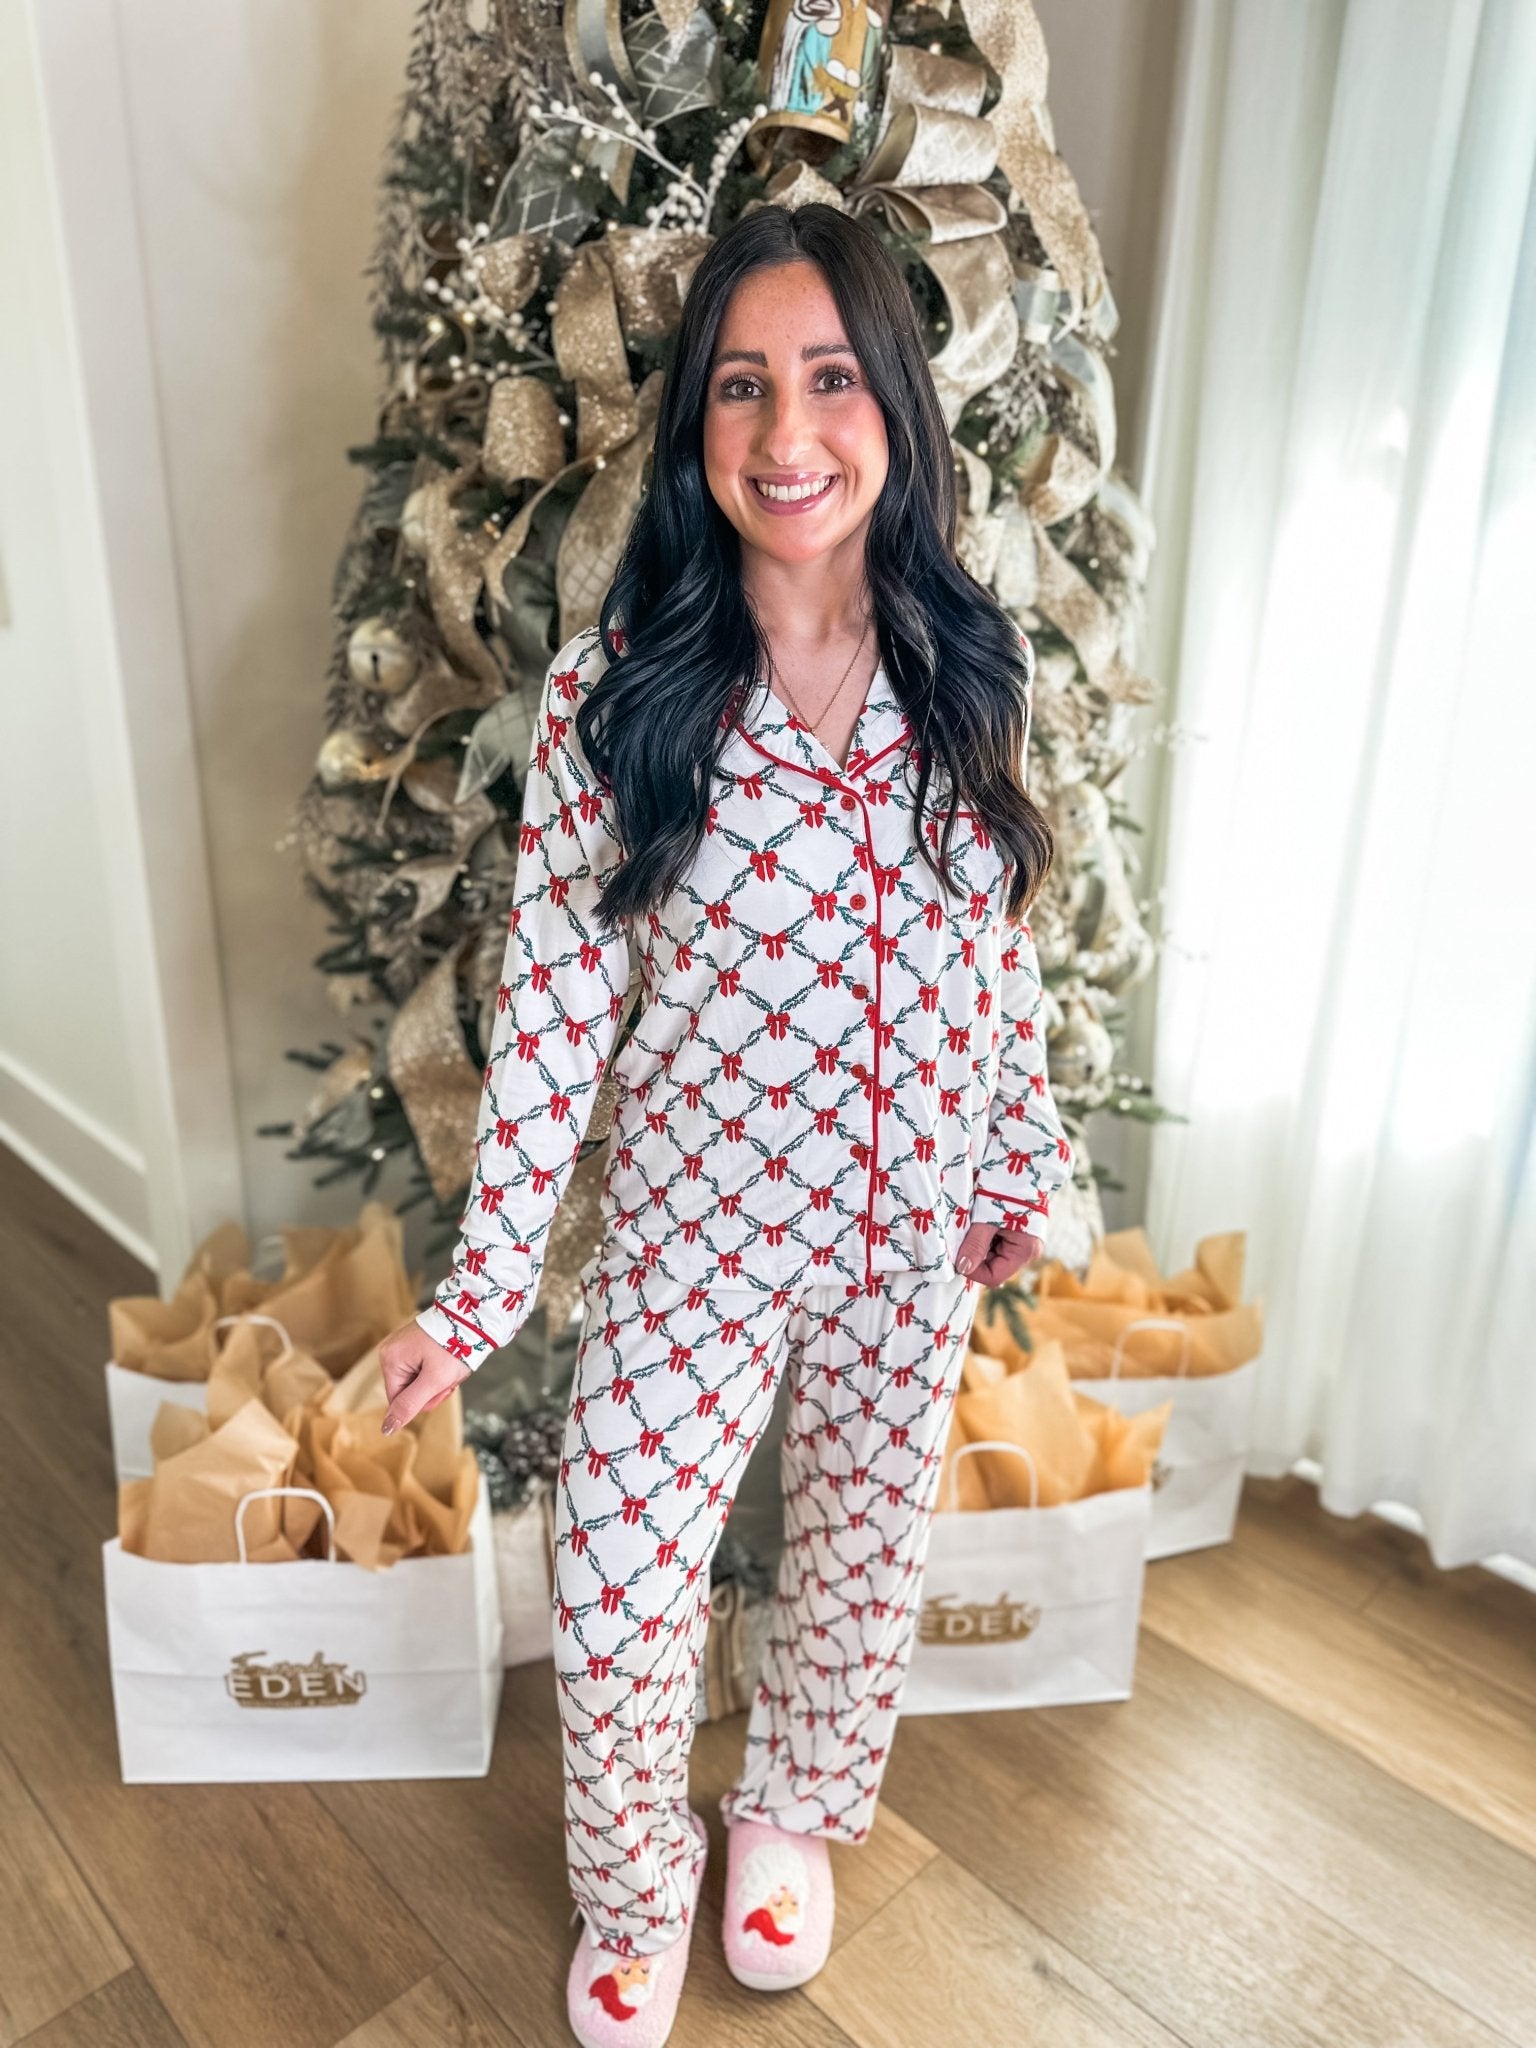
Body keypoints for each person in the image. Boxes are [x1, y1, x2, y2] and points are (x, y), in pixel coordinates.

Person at [376, 200, 1074, 2048]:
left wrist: (1020, 1159)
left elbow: (999, 954)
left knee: (859, 1560)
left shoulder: (968, 667)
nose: (788, 433)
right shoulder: (623, 698)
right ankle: (632, 1883)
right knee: (616, 1583)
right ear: (696, 424)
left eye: (831, 380)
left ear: (894, 406)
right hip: (697, 1236)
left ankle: (786, 1814)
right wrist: (482, 1291)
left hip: (910, 1231)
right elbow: (553, 1011)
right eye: (743, 387)